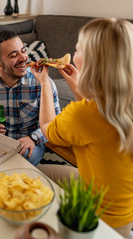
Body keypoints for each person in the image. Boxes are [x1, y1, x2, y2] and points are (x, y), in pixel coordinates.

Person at [32, 18, 133, 238]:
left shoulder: (85, 114)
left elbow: (48, 129)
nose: (73, 53)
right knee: (42, 172)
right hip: (124, 211)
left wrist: (44, 84)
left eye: (77, 49)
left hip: (101, 220)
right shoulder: (116, 103)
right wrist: (80, 89)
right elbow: (96, 122)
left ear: (92, 62)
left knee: (33, 175)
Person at [0, 30, 61, 165]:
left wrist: (33, 138)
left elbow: (56, 122)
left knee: (19, 161)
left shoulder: (43, 83)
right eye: (14, 55)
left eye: (23, 51)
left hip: (30, 141)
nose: (23, 58)